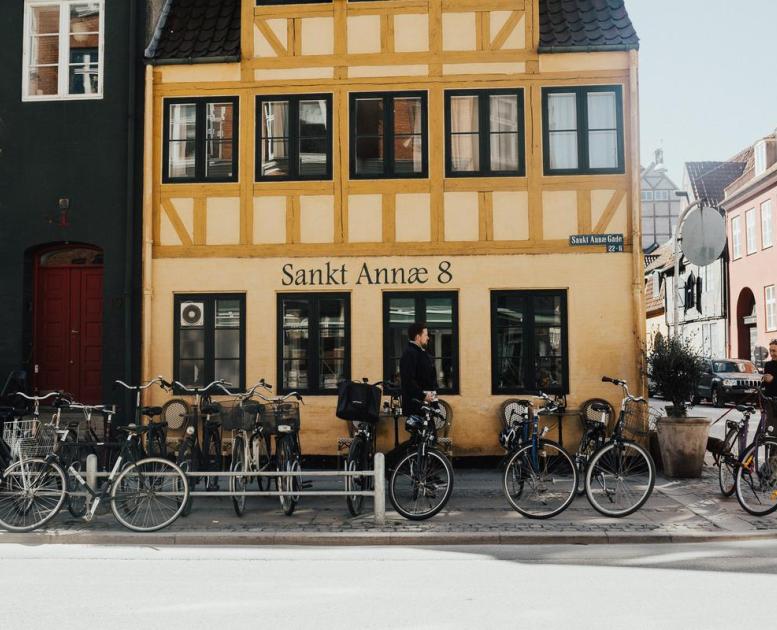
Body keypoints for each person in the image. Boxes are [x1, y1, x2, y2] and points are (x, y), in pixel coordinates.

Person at [399, 322, 438, 417]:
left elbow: (429, 378)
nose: (428, 338)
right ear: (418, 337)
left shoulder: (421, 353)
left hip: (426, 406)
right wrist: (423, 396)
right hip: (417, 406)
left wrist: (434, 402)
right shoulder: (409, 354)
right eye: (425, 335)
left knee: (431, 431)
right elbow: (408, 380)